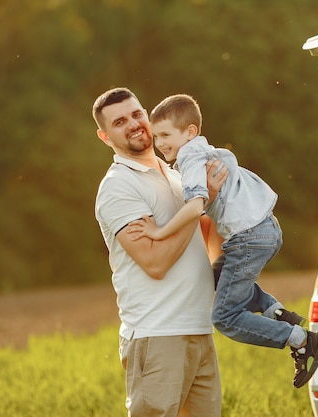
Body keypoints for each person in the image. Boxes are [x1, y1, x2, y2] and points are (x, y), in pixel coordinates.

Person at [127, 93, 318, 388]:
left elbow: (196, 203)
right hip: (263, 230)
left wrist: (159, 232)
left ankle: (301, 340)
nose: (160, 144)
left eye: (165, 135)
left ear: (190, 132)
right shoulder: (201, 152)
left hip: (248, 238)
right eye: (156, 136)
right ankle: (276, 311)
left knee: (224, 317)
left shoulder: (189, 156)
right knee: (212, 278)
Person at [92, 87, 227, 417]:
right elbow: (155, 262)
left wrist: (229, 212)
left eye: (137, 114)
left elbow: (203, 238)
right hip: (158, 334)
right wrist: (199, 205)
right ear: (105, 136)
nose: (134, 124)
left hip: (197, 328)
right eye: (120, 121)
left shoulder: (177, 175)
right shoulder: (119, 185)